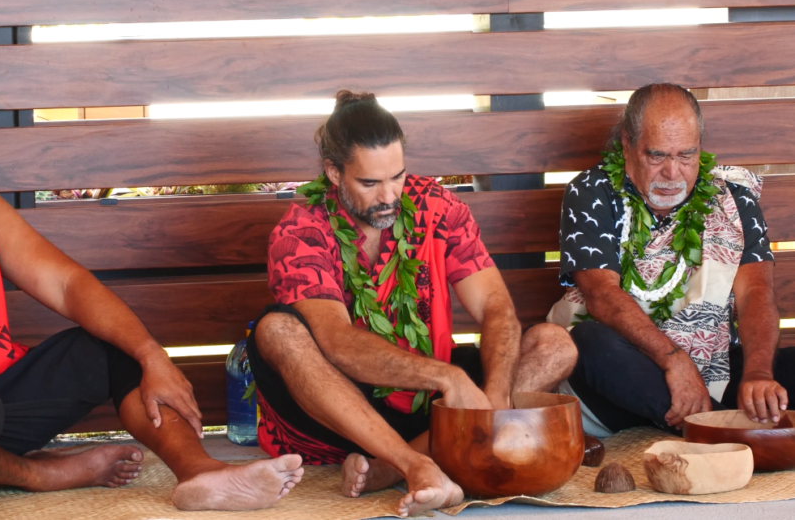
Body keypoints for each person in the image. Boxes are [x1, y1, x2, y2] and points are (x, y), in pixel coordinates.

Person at [0, 54, 303, 507]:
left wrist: (152, 355)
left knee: (114, 344)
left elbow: (68, 286)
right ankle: (38, 473)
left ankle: (202, 473)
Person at [245, 91, 578, 518]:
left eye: (396, 176)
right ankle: (415, 463)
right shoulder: (301, 231)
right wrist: (449, 378)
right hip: (337, 412)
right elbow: (337, 343)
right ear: (332, 171)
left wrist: (491, 402)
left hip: (430, 408)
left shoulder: (437, 205)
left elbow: (495, 307)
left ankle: (390, 466)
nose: (388, 196)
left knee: (555, 343)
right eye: (370, 183)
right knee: (276, 330)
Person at [548, 83, 795, 436]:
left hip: (714, 370)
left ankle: (711, 422)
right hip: (622, 382)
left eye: (686, 155)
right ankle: (719, 430)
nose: (672, 173)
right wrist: (673, 361)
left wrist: (757, 374)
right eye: (657, 155)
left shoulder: (735, 201)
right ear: (626, 143)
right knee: (589, 342)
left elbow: (756, 293)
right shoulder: (592, 192)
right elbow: (602, 296)